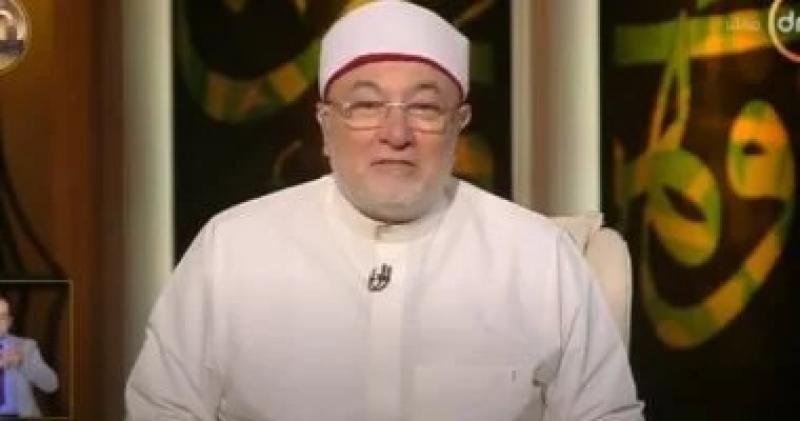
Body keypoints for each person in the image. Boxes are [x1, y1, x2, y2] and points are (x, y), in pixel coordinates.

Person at [126, 1, 643, 419]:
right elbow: (163, 409)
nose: (396, 134)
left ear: (459, 124)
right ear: (325, 124)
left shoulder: (540, 258)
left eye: (425, 108)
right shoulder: (232, 248)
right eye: (366, 106)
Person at [0, 296, 58, 419]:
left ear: (9, 322)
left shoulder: (26, 347)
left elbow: (51, 385)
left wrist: (22, 362)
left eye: (3, 317)